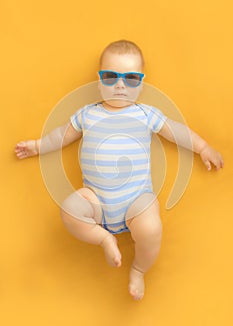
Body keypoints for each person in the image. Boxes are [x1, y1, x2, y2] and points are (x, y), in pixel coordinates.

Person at [15, 40, 224, 301]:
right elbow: (61, 136)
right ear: (99, 79)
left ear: (141, 83)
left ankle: (138, 269)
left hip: (136, 200)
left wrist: (203, 147)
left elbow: (177, 132)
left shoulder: (145, 114)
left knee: (151, 228)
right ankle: (103, 238)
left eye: (131, 78)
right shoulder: (87, 114)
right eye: (111, 76)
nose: (120, 85)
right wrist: (37, 146)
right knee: (69, 209)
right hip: (96, 201)